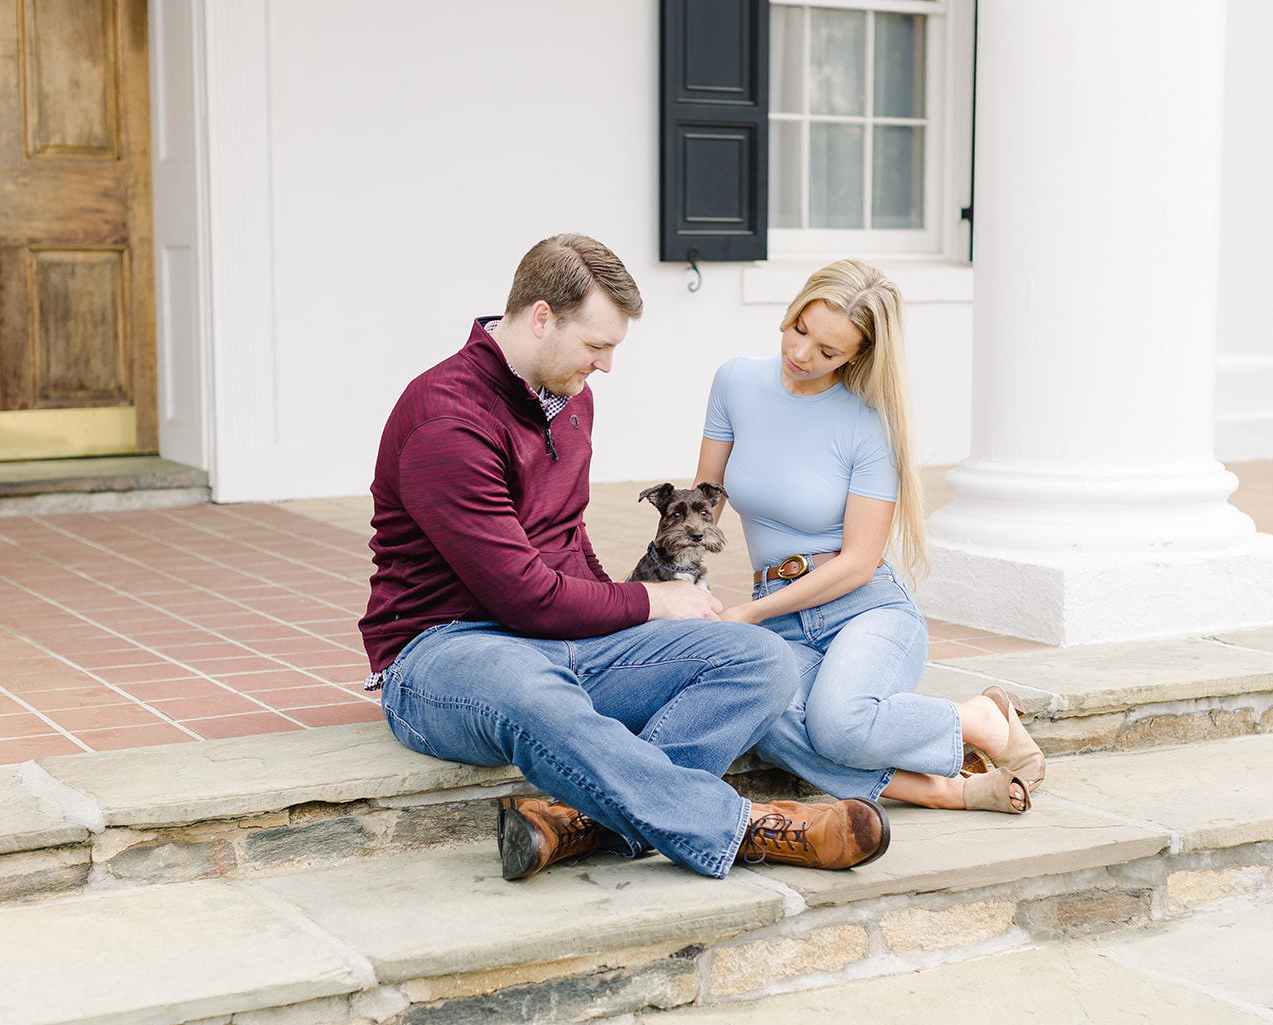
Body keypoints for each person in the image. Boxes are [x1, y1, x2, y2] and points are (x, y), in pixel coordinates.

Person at [360, 234, 890, 882]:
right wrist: (650, 600)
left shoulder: (569, 397)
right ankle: (739, 825)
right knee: (533, 688)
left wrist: (637, 628)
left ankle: (584, 819)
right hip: (442, 654)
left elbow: (564, 539)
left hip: (554, 640)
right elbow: (521, 595)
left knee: (762, 660)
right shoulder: (448, 421)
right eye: (596, 345)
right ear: (541, 317)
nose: (606, 364)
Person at [694, 259, 1046, 813]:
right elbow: (703, 503)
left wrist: (748, 616)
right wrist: (675, 589)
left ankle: (979, 718)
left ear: (858, 354)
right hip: (778, 613)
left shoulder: (869, 423)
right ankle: (946, 790)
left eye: (827, 352)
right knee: (764, 716)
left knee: (838, 724)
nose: (801, 354)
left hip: (863, 608)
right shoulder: (735, 381)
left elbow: (859, 562)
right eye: (799, 329)